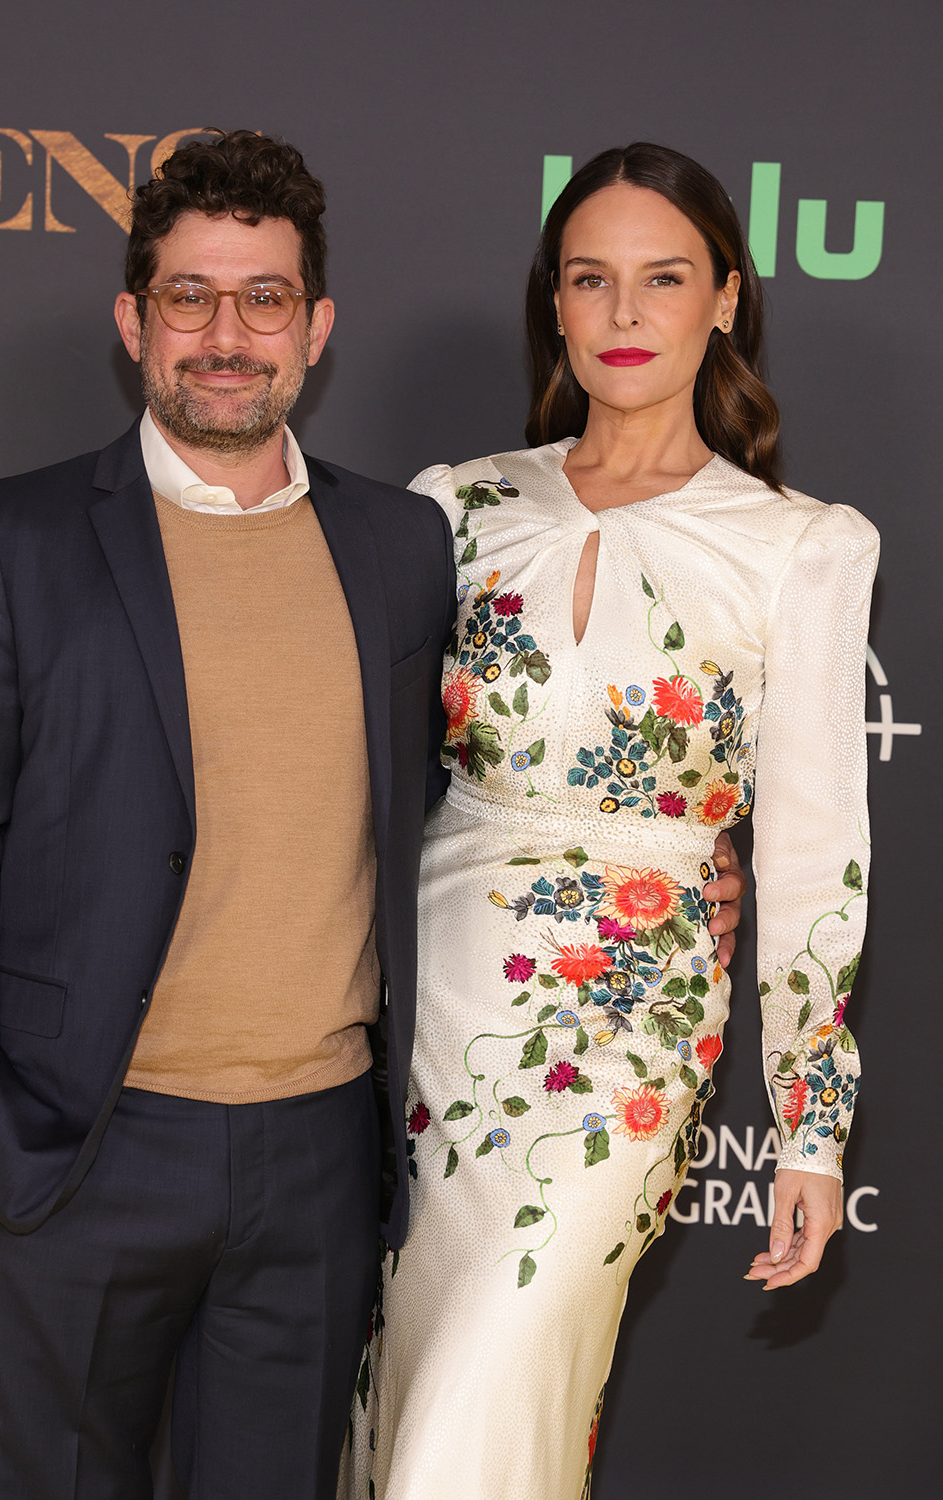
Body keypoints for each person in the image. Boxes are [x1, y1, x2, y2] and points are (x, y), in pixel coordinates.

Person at [0, 130, 744, 1500]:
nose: (229, 335)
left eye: (265, 298)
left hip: (320, 1162)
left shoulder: (403, 545)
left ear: (318, 327)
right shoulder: (10, 538)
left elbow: (499, 771)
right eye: (191, 297)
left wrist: (691, 858)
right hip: (78, 1147)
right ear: (133, 320)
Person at [345, 143, 877, 1500]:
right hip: (434, 1002)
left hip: (630, 1027)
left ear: (728, 303)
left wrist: (809, 1124)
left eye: (663, 278)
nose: (626, 315)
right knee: (409, 1381)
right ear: (558, 304)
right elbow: (365, 781)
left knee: (495, 1362)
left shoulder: (799, 546)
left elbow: (814, 849)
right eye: (593, 280)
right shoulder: (452, 508)